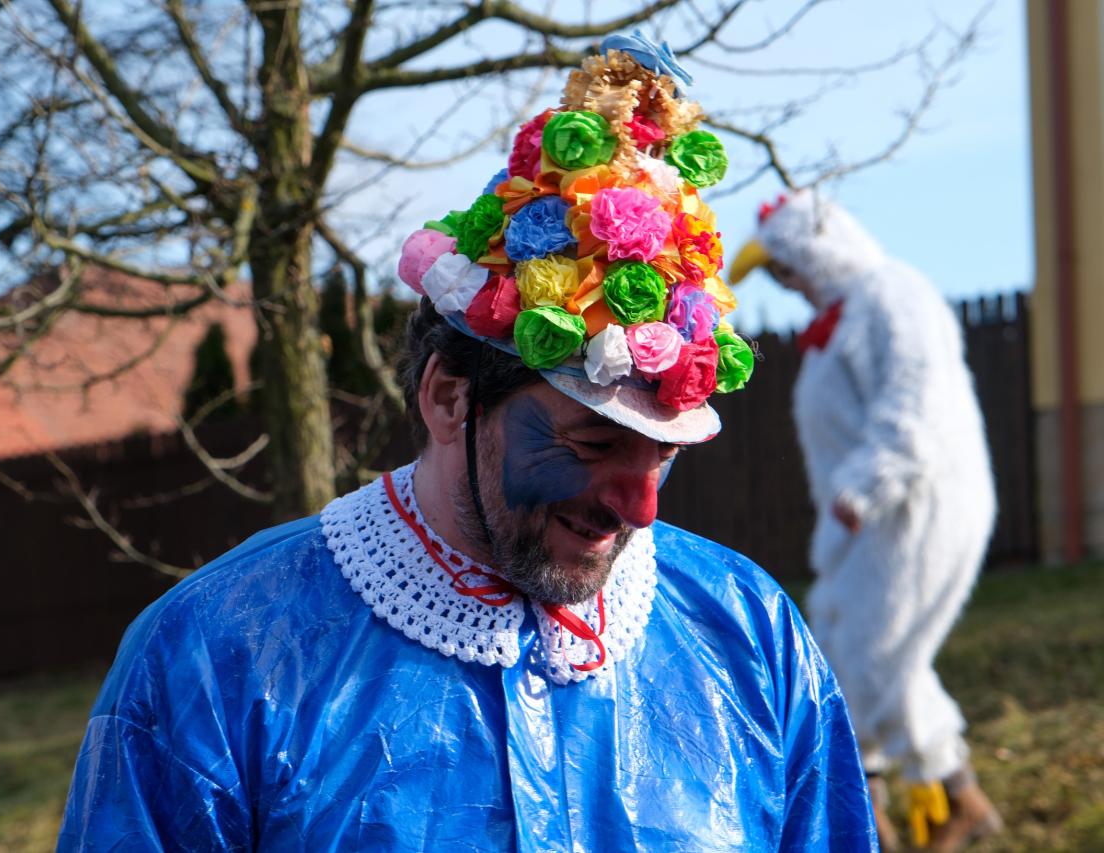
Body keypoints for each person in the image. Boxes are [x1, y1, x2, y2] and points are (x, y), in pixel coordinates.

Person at [59, 35, 876, 851]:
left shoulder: (751, 634)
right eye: (594, 442)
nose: (641, 506)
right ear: (450, 397)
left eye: (662, 453)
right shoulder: (216, 654)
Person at [729, 189, 1003, 852]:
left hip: (916, 504)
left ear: (817, 252)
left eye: (788, 269)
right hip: (864, 519)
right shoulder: (836, 323)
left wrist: (865, 486)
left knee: (880, 656)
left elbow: (917, 400)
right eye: (778, 277)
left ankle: (937, 801)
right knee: (841, 648)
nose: (788, 286)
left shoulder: (893, 295)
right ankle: (891, 809)